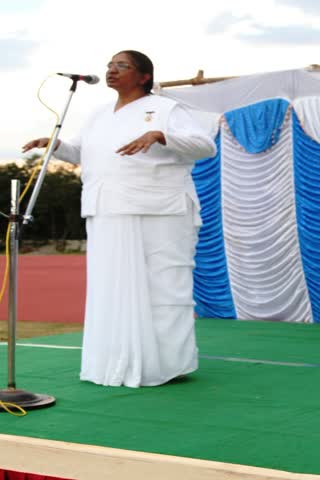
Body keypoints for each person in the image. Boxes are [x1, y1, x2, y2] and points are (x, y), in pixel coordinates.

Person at [22, 50, 217, 387]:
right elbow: (82, 154)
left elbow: (204, 146)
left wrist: (161, 135)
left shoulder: (167, 109)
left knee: (163, 288)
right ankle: (117, 361)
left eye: (121, 66)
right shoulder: (99, 115)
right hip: (108, 209)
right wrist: (54, 146)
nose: (112, 71)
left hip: (159, 211)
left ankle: (168, 364)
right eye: (109, 66)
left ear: (143, 76)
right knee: (110, 286)